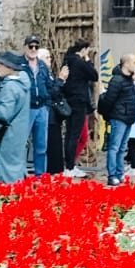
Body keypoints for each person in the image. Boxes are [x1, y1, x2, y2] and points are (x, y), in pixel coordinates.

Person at [0, 49, 33, 184]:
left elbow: (4, 113)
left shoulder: (10, 87)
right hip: (18, 134)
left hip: (7, 135)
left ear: (10, 67)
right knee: (16, 167)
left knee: (7, 173)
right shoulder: (23, 84)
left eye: (0, 64)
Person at [97, 53, 135, 185]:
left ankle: (120, 174)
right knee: (114, 147)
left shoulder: (129, 79)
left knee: (122, 148)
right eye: (133, 62)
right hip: (119, 117)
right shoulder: (116, 80)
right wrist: (108, 115)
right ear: (126, 64)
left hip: (128, 118)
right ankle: (112, 175)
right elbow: (109, 100)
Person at [57, 41, 98, 171]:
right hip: (79, 102)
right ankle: (70, 167)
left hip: (69, 101)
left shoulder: (67, 61)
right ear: (84, 49)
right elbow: (94, 75)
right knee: (75, 135)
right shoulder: (80, 62)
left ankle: (68, 165)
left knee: (70, 134)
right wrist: (87, 60)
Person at [22, 35, 57, 176]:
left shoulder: (42, 65)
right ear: (25, 47)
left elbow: (49, 85)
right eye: (31, 46)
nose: (34, 49)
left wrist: (47, 102)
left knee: (41, 145)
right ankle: (21, 174)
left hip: (42, 108)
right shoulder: (20, 65)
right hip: (27, 109)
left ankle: (40, 176)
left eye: (36, 46)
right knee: (22, 144)